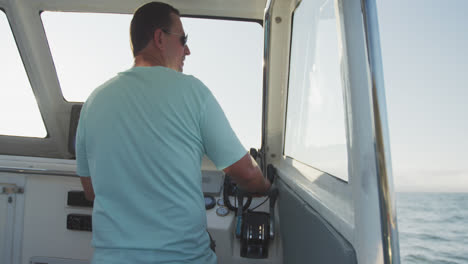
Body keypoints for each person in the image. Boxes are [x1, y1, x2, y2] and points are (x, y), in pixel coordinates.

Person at [75, 2, 271, 264]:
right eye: (183, 40)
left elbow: (91, 190)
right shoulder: (193, 92)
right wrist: (264, 187)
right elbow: (246, 172)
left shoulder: (94, 101)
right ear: (159, 38)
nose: (187, 50)